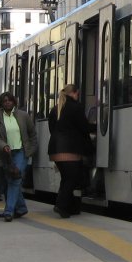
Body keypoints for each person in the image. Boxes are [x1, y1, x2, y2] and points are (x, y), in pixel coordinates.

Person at [0, 92, 37, 222]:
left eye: (9, 100)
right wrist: (3, 146)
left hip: (21, 152)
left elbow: (32, 134)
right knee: (8, 181)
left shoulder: (23, 115)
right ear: (1, 103)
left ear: (14, 101)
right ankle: (21, 208)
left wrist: (31, 150)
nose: (7, 103)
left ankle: (9, 211)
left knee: (15, 178)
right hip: (6, 154)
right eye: (5, 101)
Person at [50, 84, 93, 218]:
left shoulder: (55, 109)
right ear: (74, 93)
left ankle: (68, 206)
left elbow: (52, 129)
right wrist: (96, 127)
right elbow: (84, 127)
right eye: (77, 94)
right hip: (70, 150)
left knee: (66, 178)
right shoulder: (76, 107)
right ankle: (61, 206)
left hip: (55, 150)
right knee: (71, 179)